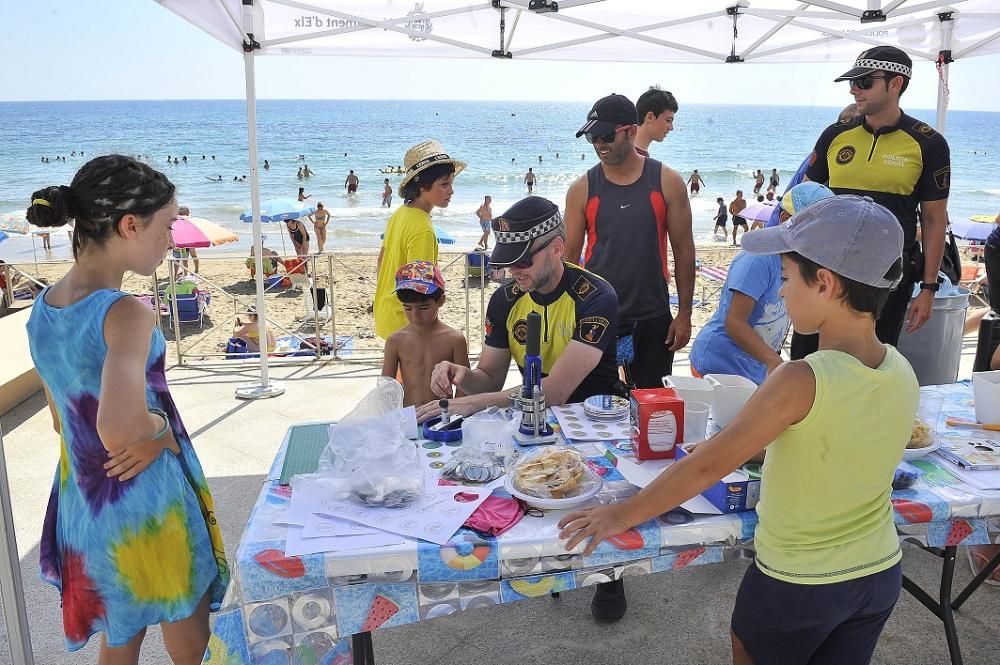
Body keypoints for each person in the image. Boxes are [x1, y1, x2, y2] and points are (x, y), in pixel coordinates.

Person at [559, 195, 917, 665]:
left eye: (787, 279)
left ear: (825, 284)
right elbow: (836, 445)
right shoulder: (900, 369)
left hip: (798, 584)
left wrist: (622, 515)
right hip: (877, 574)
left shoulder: (801, 378)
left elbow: (707, 465)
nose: (783, 293)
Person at [24, 154, 228, 662]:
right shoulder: (126, 314)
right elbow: (120, 429)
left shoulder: (45, 309)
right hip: (146, 504)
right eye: (168, 223)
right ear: (129, 225)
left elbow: (59, 420)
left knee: (122, 640)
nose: (172, 237)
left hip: (87, 504)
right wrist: (160, 430)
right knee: (190, 641)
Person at [792, 45, 951, 360]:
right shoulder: (834, 135)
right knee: (807, 361)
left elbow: (934, 220)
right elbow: (806, 199)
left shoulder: (928, 143)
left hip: (886, 278)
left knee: (870, 365)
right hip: (826, 269)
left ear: (895, 85)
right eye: (853, 82)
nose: (854, 89)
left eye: (865, 82)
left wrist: (929, 289)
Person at [417, 196, 620, 425]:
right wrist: (463, 376)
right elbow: (491, 378)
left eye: (522, 261)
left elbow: (555, 391)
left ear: (557, 248)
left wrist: (470, 404)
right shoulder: (504, 300)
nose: (513, 271)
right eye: (507, 261)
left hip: (596, 423)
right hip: (536, 422)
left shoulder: (596, 297)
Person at [565, 93, 695, 392]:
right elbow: (570, 260)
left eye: (607, 135)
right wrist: (569, 317)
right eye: (592, 137)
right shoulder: (581, 189)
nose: (599, 144)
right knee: (594, 405)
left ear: (631, 131)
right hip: (597, 315)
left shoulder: (667, 182)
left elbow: (684, 251)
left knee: (651, 407)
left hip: (652, 316)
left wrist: (685, 313)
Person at [690, 182, 833, 385]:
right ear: (785, 220)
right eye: (816, 231)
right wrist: (775, 362)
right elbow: (734, 322)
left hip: (755, 367)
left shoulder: (799, 262)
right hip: (720, 364)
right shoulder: (759, 258)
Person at [374, 140, 464, 340]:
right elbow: (421, 291)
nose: (451, 190)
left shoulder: (400, 213)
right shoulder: (423, 229)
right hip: (408, 326)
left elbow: (381, 263)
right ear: (422, 186)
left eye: (451, 182)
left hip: (387, 314)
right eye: (444, 184)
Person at [382, 261, 469, 407]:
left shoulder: (455, 340)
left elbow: (463, 387)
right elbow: (386, 389)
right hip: (409, 417)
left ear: (441, 301)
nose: (415, 316)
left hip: (442, 419)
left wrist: (455, 418)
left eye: (424, 307)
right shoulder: (395, 341)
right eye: (408, 308)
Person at [634, 86, 677, 157]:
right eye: (668, 120)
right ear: (650, 117)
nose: (671, 128)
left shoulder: (622, 149)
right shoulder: (633, 157)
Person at [171, 206, 199, 280]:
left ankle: (194, 270)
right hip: (187, 241)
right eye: (188, 211)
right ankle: (187, 273)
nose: (189, 212)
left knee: (178, 259)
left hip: (181, 241)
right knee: (186, 258)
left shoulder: (175, 220)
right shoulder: (188, 220)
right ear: (184, 212)